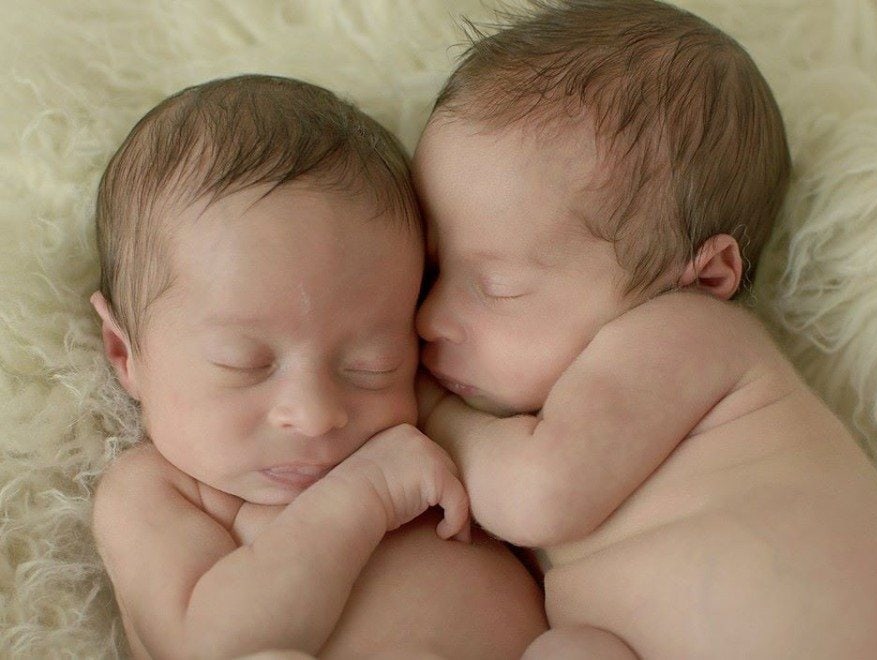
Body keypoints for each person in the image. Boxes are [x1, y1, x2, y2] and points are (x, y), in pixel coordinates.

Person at [412, 1, 877, 657]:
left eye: (498, 285)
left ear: (701, 276)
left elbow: (540, 494)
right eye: (432, 270)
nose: (426, 318)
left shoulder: (687, 331)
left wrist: (426, 409)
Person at [89, 74, 546, 659]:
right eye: (245, 363)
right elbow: (209, 644)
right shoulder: (155, 490)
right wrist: (366, 494)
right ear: (125, 354)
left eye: (371, 366)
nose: (315, 414)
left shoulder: (431, 425)